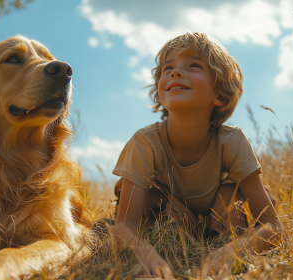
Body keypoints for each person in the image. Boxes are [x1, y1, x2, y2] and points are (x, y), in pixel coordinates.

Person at [112, 32, 282, 279]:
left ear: (219, 95)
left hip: (212, 216)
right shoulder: (145, 143)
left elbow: (274, 227)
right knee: (153, 197)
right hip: (167, 214)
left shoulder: (231, 142)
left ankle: (212, 236)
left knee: (229, 195)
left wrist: (233, 250)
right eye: (167, 68)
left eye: (193, 66)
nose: (175, 72)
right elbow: (123, 226)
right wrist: (145, 253)